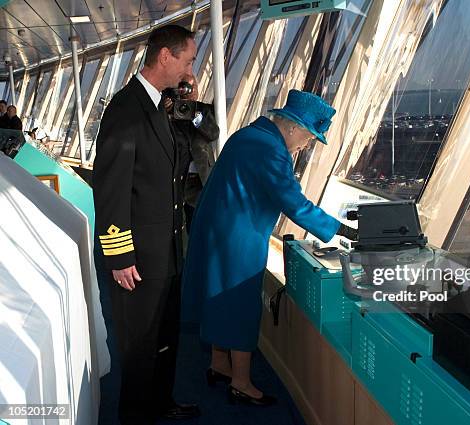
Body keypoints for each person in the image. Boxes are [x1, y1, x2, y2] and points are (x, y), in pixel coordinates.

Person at [183, 89, 358, 406]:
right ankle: (241, 382)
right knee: (239, 303)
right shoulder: (270, 150)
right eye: (309, 137)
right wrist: (341, 229)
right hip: (238, 237)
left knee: (217, 295)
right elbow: (293, 202)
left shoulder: (250, 134)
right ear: (292, 126)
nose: (306, 145)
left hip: (216, 228)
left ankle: (219, 364)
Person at [92, 25, 200, 425]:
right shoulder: (125, 110)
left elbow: (187, 153)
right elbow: (111, 191)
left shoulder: (160, 105)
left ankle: (161, 401)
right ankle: (136, 415)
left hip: (166, 250)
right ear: (165, 57)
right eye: (188, 60)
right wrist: (119, 257)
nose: (191, 68)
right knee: (139, 347)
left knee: (165, 338)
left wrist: (190, 98)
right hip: (137, 259)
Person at [163, 74, 219, 232]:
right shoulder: (170, 110)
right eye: (186, 88)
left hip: (201, 177)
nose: (191, 92)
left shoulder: (203, 110)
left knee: (199, 223)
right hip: (177, 175)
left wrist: (196, 118)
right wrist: (165, 112)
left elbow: (213, 134)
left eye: (193, 88)